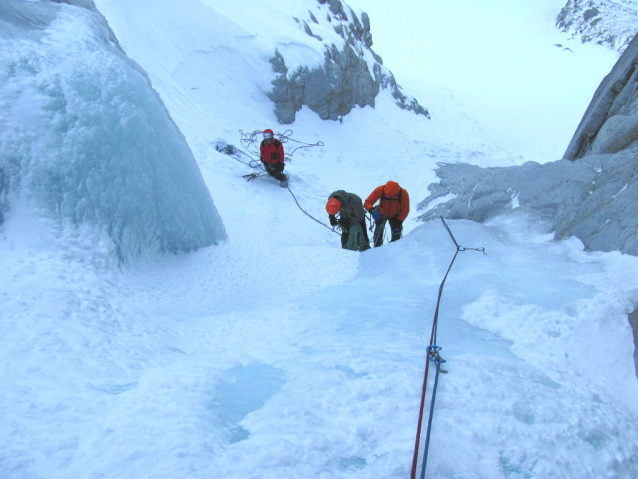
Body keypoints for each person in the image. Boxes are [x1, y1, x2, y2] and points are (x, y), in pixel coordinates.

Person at [364, 180, 410, 247]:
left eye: (388, 195)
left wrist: (399, 221)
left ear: (395, 194)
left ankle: (394, 249)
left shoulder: (403, 194)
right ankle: (377, 248)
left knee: (396, 233)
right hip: (381, 213)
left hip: (395, 216)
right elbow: (368, 202)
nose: (386, 196)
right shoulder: (381, 190)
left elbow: (405, 210)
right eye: (386, 194)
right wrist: (372, 211)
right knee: (378, 231)